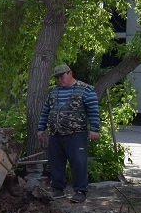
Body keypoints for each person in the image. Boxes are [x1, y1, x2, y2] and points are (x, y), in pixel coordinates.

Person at [37, 64, 100, 202]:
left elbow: (93, 111)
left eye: (62, 76)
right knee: (56, 163)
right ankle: (58, 189)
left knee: (78, 162)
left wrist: (94, 129)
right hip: (56, 133)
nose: (59, 79)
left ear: (70, 73)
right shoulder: (53, 92)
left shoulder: (86, 90)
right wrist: (41, 128)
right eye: (57, 77)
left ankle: (80, 191)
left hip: (76, 133)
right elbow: (45, 110)